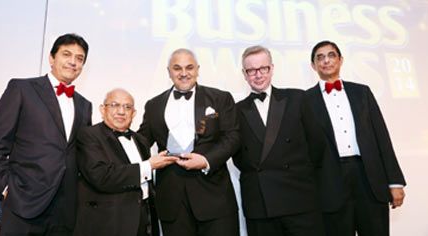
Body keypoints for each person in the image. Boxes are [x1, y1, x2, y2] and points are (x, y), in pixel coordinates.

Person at [0, 33, 92, 235]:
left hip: (64, 211)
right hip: (23, 204)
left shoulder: (85, 105)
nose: (73, 62)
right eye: (67, 54)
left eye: (80, 58)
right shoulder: (22, 89)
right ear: (51, 58)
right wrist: (6, 189)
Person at [306, 40, 406, 236]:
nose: (326, 61)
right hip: (330, 182)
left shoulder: (362, 92)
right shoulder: (305, 100)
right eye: (320, 57)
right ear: (313, 65)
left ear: (341, 60)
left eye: (331, 55)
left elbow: (381, 136)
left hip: (368, 178)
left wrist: (395, 182)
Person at [137, 48, 240, 236]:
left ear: (198, 69)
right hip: (172, 200)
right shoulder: (154, 105)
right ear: (169, 72)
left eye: (189, 67)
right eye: (177, 68)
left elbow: (232, 137)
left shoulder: (220, 98)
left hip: (214, 198)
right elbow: (140, 142)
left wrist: (206, 160)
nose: (184, 73)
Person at [233, 45, 326, 236]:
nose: (258, 75)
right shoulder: (236, 110)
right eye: (251, 70)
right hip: (260, 204)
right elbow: (240, 158)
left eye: (263, 68)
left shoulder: (297, 98)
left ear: (272, 68)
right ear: (244, 74)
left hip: (299, 199)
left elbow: (317, 145)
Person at [73, 89, 177, 236]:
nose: (121, 111)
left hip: (143, 221)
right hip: (109, 223)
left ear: (134, 113)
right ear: (103, 109)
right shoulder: (89, 135)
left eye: (127, 107)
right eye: (115, 105)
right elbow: (101, 176)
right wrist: (149, 165)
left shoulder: (141, 140)